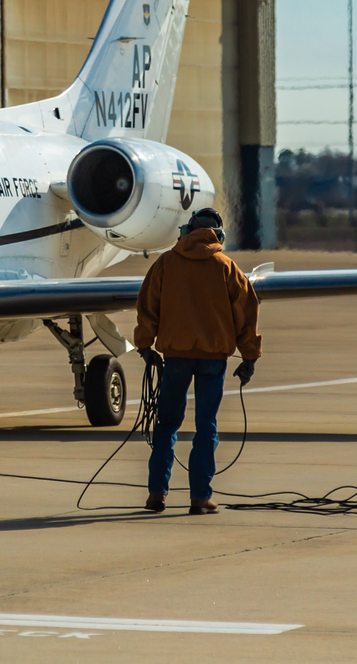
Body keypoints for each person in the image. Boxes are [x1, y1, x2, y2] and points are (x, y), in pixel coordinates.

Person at [132, 207, 260, 514]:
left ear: (188, 231)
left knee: (166, 426)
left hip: (176, 357)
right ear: (218, 235)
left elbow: (148, 305)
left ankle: (156, 494)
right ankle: (201, 497)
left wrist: (144, 346)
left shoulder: (166, 263)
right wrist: (249, 357)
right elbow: (247, 314)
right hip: (213, 359)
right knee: (206, 427)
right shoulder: (226, 266)